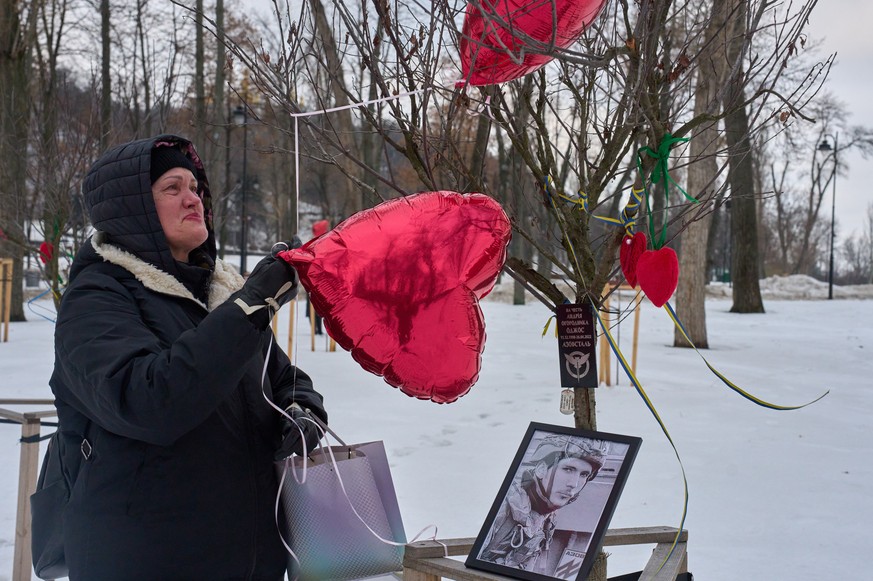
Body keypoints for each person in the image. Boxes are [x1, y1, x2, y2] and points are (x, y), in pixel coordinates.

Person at [48, 134, 326, 580]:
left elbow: (282, 378)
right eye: (172, 188)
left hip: (252, 560)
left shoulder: (220, 293)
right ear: (132, 207)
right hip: (147, 561)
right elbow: (150, 403)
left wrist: (304, 410)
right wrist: (251, 305)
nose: (193, 198)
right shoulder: (97, 295)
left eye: (195, 187)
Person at [478, 434, 604, 575]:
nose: (573, 484)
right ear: (541, 469)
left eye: (584, 475)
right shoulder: (503, 510)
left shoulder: (547, 518)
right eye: (568, 469)